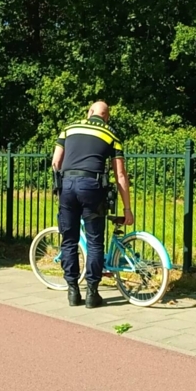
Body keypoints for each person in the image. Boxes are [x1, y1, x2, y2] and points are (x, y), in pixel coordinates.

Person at [51, 101, 134, 308]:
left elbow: (55, 162)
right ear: (107, 117)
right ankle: (92, 294)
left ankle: (72, 291)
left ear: (89, 113)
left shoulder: (68, 129)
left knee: (69, 240)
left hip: (68, 186)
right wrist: (127, 208)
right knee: (95, 241)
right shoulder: (112, 135)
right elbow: (120, 174)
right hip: (92, 187)